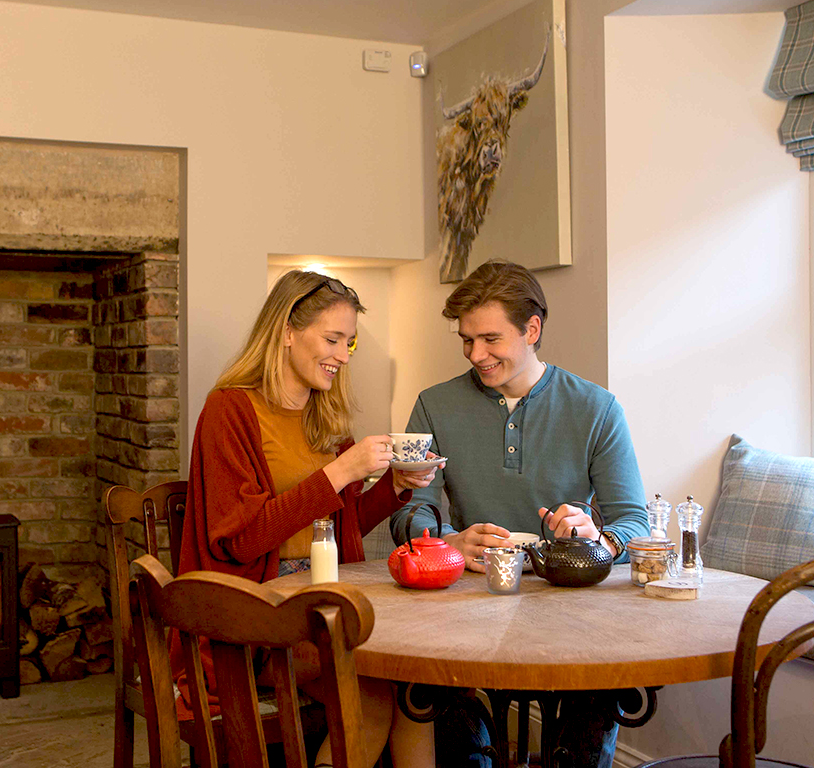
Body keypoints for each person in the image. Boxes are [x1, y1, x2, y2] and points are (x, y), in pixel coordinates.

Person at [390, 260, 649, 768]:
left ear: (532, 329)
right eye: (467, 340)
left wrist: (598, 539)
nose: (476, 355)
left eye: (491, 339)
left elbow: (634, 524)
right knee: (445, 715)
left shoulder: (597, 408)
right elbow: (411, 512)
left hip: (570, 608)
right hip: (466, 604)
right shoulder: (434, 405)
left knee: (593, 708)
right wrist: (447, 541)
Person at [178, 269, 436, 767]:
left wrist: (394, 486)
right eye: (333, 339)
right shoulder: (229, 410)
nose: (344, 355)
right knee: (376, 694)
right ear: (286, 331)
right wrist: (340, 472)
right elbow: (240, 540)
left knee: (411, 685)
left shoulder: (326, 416)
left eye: (350, 343)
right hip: (255, 611)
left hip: (324, 597)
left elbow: (341, 529)